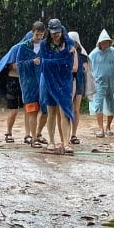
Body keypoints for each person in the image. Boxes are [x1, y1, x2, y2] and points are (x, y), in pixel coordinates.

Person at [39, 18, 77, 154]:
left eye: (58, 32)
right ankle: (51, 142)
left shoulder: (69, 43)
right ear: (49, 31)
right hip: (49, 81)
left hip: (64, 81)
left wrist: (55, 62)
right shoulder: (44, 45)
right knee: (51, 112)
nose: (56, 35)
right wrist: (59, 61)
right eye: (54, 32)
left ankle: (66, 143)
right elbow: (44, 62)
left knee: (65, 112)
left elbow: (70, 64)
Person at [88, 29, 114, 138]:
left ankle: (108, 127)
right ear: (99, 43)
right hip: (98, 83)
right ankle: (101, 129)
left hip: (111, 82)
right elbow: (87, 66)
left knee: (111, 105)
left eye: (107, 42)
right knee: (98, 105)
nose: (105, 44)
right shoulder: (94, 54)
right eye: (103, 42)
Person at [16, 21, 49, 147]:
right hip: (29, 84)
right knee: (33, 110)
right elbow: (19, 64)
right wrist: (31, 62)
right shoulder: (24, 47)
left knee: (46, 111)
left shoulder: (46, 46)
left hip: (44, 82)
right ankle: (33, 138)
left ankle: (39, 133)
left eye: (41, 35)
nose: (39, 37)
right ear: (32, 32)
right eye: (36, 35)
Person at [68, 31, 90, 144]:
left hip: (79, 83)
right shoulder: (65, 53)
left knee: (76, 109)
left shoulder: (83, 55)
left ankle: (73, 134)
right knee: (67, 109)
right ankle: (66, 134)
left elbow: (85, 69)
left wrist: (77, 67)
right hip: (67, 83)